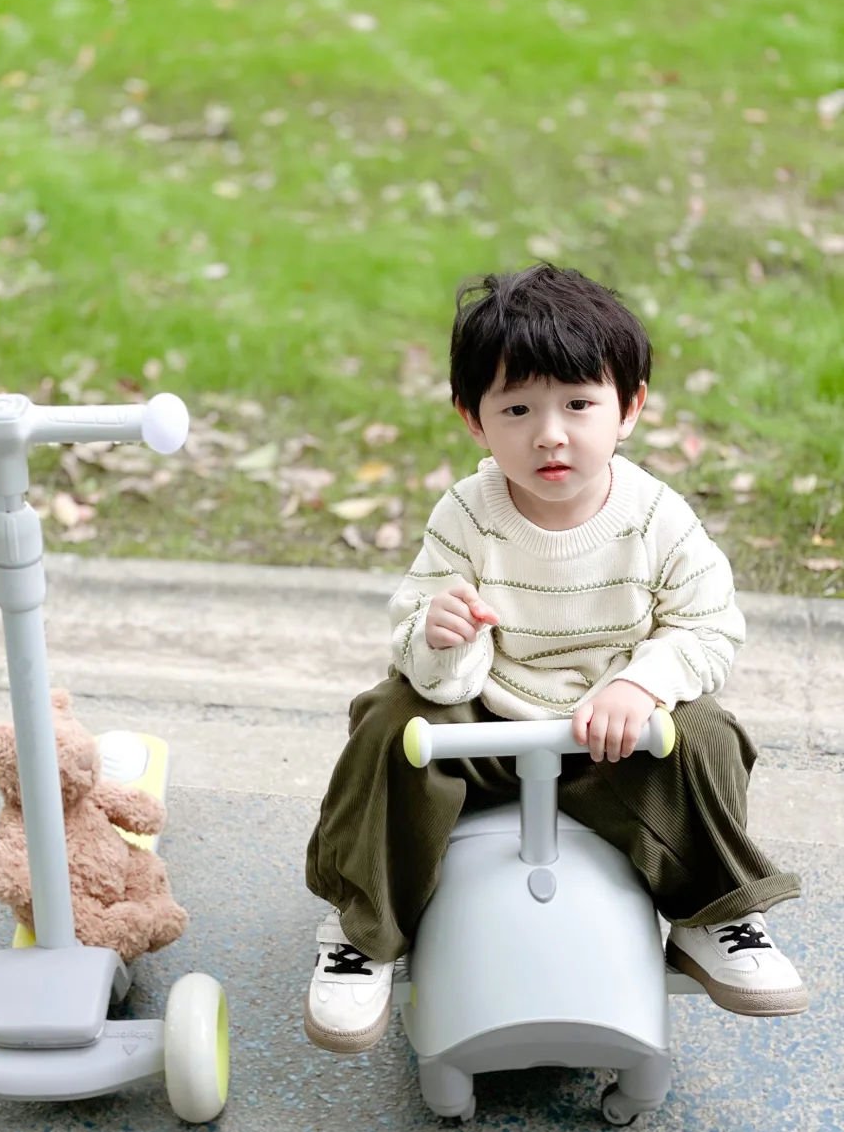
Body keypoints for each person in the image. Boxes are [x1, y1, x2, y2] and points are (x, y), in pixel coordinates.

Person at [304, 262, 807, 1053]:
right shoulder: (469, 513)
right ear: (474, 420)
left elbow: (710, 628)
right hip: (488, 726)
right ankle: (366, 930)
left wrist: (642, 681)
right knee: (388, 719)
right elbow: (413, 639)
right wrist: (445, 639)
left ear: (629, 407)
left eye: (579, 404)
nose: (550, 433)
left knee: (708, 732)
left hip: (613, 738)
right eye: (517, 408)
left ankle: (715, 911)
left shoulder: (655, 518)